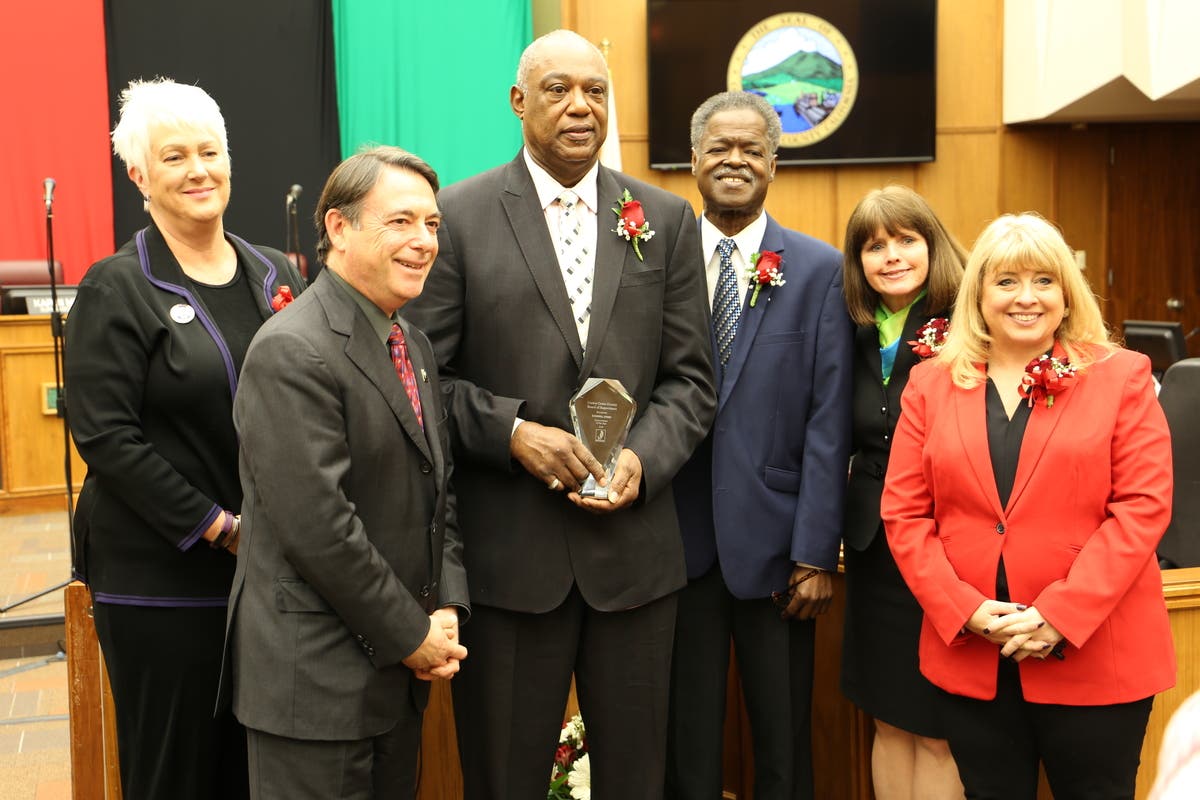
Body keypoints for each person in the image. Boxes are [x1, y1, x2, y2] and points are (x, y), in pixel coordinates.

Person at [399, 29, 716, 799]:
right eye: (558, 89)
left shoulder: (665, 220)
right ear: (518, 101)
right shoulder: (457, 217)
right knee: (504, 778)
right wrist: (511, 435)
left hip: (635, 564)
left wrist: (643, 458)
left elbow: (691, 382)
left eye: (596, 91)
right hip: (511, 567)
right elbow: (420, 382)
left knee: (640, 779)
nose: (581, 106)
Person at [63, 77, 305, 800]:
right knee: (176, 773)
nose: (199, 170)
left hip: (269, 576)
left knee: (251, 770)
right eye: (174, 157)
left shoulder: (276, 273)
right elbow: (106, 437)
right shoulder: (115, 287)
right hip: (163, 583)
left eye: (210, 151)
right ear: (138, 175)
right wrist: (217, 527)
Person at [881, 213, 1176, 799]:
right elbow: (904, 514)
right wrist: (963, 608)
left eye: (1044, 281)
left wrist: (1058, 617)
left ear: (1067, 294)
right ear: (980, 295)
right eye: (1007, 281)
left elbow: (1142, 507)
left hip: (1096, 652)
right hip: (973, 650)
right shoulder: (931, 384)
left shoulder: (1121, 376)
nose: (1026, 298)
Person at [221, 146, 468, 799]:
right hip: (317, 692)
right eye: (401, 222)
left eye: (433, 225)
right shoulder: (291, 350)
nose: (423, 242)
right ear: (338, 228)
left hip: (392, 682)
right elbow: (320, 529)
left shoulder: (409, 342)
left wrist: (445, 603)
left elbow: (436, 490)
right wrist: (411, 634)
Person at [665, 90, 853, 800]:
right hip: (677, 550)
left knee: (783, 745)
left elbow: (829, 420)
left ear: (774, 164)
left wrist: (813, 552)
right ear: (694, 161)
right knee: (688, 744)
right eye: (720, 148)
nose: (735, 161)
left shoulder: (818, 270)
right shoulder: (660, 263)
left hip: (779, 555)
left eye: (751, 150)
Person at [839, 186, 966, 800]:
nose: (890, 256)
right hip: (872, 547)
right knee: (887, 716)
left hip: (947, 549)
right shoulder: (855, 327)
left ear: (931, 245)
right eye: (874, 245)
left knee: (937, 727)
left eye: (905, 240)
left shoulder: (969, 321)